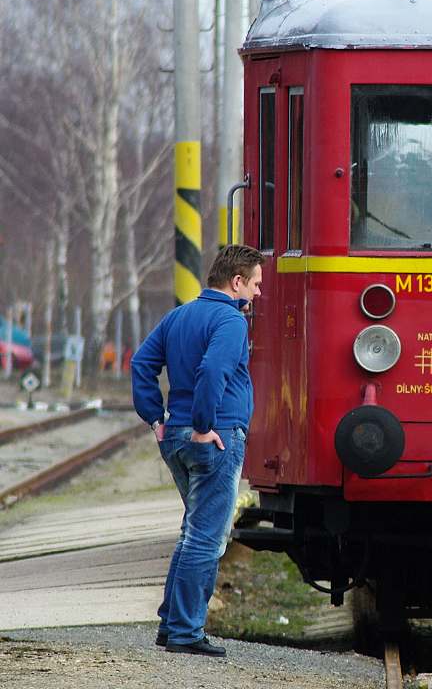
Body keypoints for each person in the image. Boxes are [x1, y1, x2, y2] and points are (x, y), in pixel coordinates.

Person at [131, 245, 264, 657]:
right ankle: (187, 632)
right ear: (237, 282)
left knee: (193, 531)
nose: (258, 293)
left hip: (175, 436)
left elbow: (140, 364)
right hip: (215, 437)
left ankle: (172, 624)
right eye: (256, 284)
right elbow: (213, 371)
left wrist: (157, 418)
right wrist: (205, 427)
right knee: (207, 538)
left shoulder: (179, 316)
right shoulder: (230, 320)